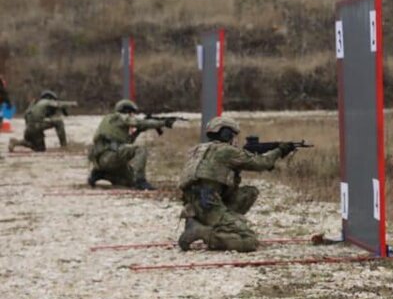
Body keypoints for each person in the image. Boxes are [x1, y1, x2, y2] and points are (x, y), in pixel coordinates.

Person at [177, 115, 297, 252]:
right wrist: (279, 150)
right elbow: (262, 163)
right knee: (248, 241)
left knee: (249, 192)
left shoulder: (198, 150)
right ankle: (202, 232)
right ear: (226, 134)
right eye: (232, 135)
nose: (234, 139)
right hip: (209, 205)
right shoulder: (225, 150)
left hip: (195, 206)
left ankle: (203, 223)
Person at [86, 99, 175, 189]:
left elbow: (125, 143)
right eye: (132, 113)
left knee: (130, 181)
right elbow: (139, 123)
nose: (133, 116)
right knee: (140, 149)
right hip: (109, 157)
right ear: (126, 112)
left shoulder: (111, 121)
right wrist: (163, 122)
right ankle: (140, 181)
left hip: (104, 160)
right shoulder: (120, 117)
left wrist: (139, 130)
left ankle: (101, 174)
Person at [8, 90, 74, 152]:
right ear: (49, 98)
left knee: (40, 149)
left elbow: (27, 117)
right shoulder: (46, 101)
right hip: (37, 126)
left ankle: (16, 142)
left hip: (28, 129)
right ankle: (64, 146)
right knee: (59, 122)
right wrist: (72, 104)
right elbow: (58, 104)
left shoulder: (34, 105)